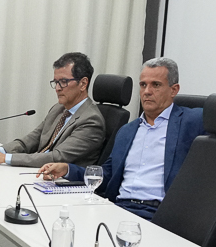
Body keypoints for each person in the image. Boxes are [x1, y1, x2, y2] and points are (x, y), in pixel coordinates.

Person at [36, 57, 202, 219]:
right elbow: (106, 174)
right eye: (143, 85)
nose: (147, 91)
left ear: (174, 90)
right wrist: (67, 169)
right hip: (119, 209)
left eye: (156, 85)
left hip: (158, 214)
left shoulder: (192, 121)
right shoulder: (127, 131)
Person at [0, 52, 106, 168]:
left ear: (83, 84)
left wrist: (5, 158)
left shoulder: (91, 120)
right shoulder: (58, 109)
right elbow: (31, 140)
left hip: (62, 180)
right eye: (56, 82)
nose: (57, 88)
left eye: (63, 82)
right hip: (38, 172)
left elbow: (57, 157)